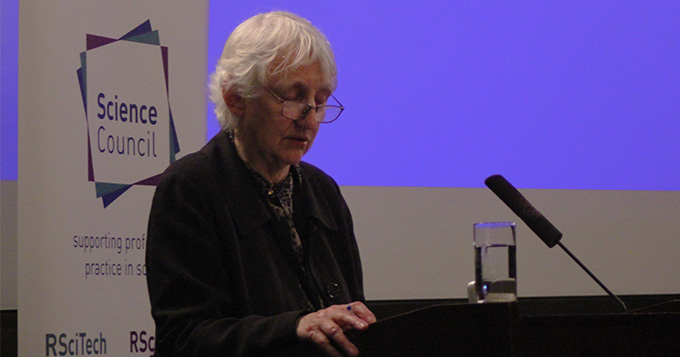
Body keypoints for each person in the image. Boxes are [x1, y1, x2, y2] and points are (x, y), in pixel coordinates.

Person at [146, 11, 376, 356]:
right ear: (236, 96)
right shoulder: (191, 188)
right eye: (294, 98)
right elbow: (183, 337)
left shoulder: (322, 190)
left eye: (321, 100)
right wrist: (295, 327)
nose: (311, 119)